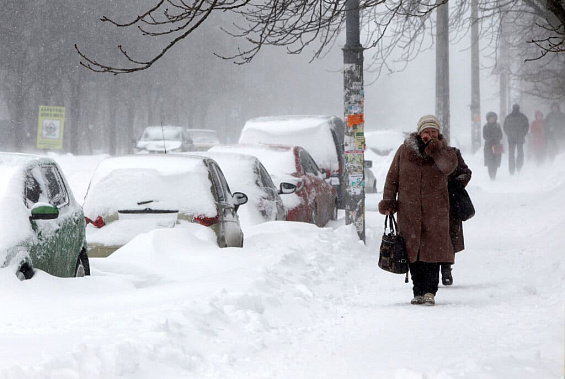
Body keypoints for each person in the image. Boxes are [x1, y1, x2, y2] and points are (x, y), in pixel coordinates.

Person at [379, 115, 457, 306]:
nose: (429, 135)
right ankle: (418, 291)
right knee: (413, 253)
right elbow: (392, 178)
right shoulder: (404, 151)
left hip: (436, 211)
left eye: (433, 132)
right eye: (426, 132)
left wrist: (435, 150)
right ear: (419, 133)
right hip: (409, 210)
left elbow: (448, 167)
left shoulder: (445, 152)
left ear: (438, 134)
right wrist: (389, 201)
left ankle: (430, 291)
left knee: (433, 252)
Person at [441, 147, 473, 286]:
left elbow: (466, 172)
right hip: (428, 203)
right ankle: (432, 271)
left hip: (450, 203)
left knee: (448, 236)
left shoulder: (451, 153)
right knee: (430, 237)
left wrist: (454, 185)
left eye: (433, 131)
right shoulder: (421, 154)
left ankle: (446, 268)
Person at [503, 104, 529, 174]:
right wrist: (522, 134)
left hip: (515, 138)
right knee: (517, 154)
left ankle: (515, 169)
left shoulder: (509, 117)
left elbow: (526, 127)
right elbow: (505, 127)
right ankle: (517, 168)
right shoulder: (522, 117)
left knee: (514, 154)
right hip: (515, 138)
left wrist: (522, 134)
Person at [483, 111, 503, 180]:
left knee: (496, 160)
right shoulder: (485, 126)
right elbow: (484, 136)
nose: (491, 120)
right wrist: (490, 139)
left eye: (492, 118)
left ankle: (494, 173)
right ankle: (491, 173)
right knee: (489, 160)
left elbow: (500, 135)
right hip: (488, 146)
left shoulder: (498, 126)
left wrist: (495, 139)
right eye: (490, 118)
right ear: (488, 119)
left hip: (497, 145)